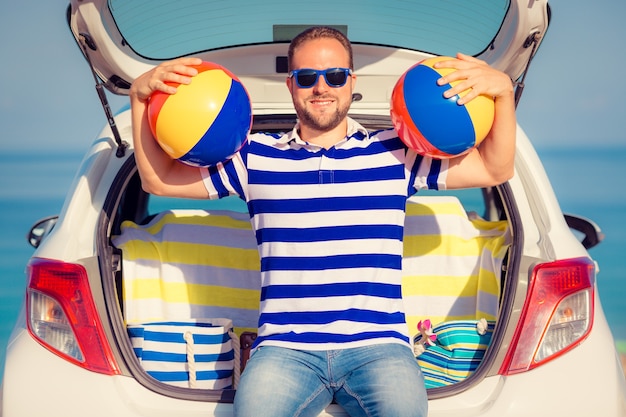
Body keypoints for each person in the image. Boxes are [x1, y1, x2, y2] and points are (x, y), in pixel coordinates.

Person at [129, 26, 515, 417]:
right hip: (285, 351)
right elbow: (157, 178)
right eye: (307, 77)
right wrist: (139, 98)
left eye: (334, 76)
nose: (321, 87)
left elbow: (495, 167)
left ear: (352, 82)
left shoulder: (398, 154)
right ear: (291, 85)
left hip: (379, 347)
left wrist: (503, 92)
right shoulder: (253, 158)